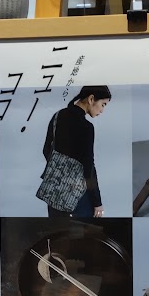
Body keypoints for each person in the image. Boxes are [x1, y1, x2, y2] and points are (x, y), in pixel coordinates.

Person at [41, 85, 111, 218]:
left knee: (57, 227)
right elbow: (88, 166)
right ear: (91, 99)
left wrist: (58, 172)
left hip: (54, 191)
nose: (102, 110)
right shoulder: (86, 127)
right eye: (103, 104)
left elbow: (46, 149)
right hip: (79, 194)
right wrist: (97, 202)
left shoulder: (58, 116)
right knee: (82, 229)